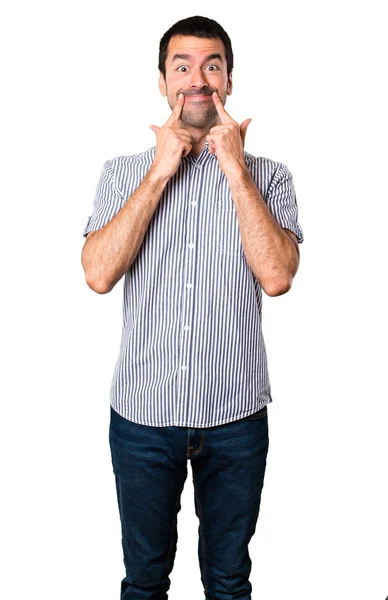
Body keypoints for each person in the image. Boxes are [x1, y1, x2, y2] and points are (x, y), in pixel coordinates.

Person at [81, 15, 303, 600]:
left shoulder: (269, 177)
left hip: (235, 421)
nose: (197, 80)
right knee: (145, 581)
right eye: (182, 66)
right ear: (162, 82)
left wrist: (233, 166)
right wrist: (161, 170)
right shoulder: (122, 173)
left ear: (229, 81)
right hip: (141, 420)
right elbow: (98, 274)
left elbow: (277, 276)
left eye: (212, 66)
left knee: (229, 583)